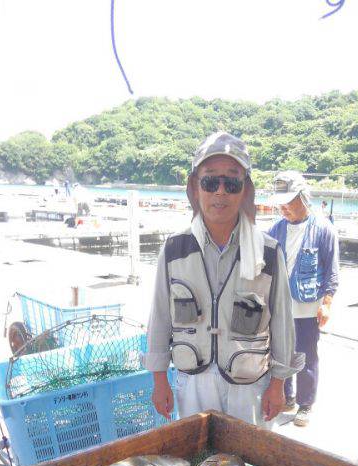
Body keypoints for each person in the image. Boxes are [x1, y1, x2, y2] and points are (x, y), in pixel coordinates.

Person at [144, 131, 303, 428]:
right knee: (197, 453)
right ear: (195, 188)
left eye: (231, 183)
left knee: (251, 455)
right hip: (193, 382)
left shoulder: (269, 252)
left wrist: (278, 383)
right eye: (209, 181)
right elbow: (160, 317)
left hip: (251, 384)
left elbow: (282, 323)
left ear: (244, 191)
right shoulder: (174, 249)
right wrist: (159, 379)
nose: (220, 192)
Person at [268, 171, 339, 427]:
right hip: (280, 306)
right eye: (280, 202)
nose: (283, 207)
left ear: (303, 197)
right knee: (280, 353)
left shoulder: (324, 229)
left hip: (308, 307)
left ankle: (305, 404)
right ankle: (286, 396)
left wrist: (327, 303)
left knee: (307, 355)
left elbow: (332, 270)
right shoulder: (276, 229)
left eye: (288, 201)